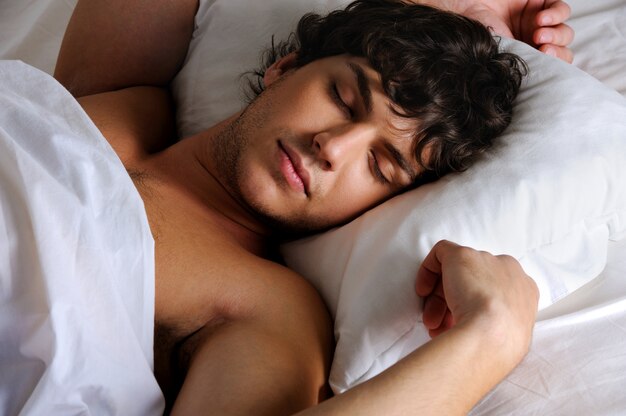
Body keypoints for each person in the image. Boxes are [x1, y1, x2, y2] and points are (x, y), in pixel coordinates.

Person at [52, 0, 572, 414]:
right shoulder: (118, 98)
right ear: (286, 67)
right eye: (344, 100)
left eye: (380, 166)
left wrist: (492, 336)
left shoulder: (266, 311)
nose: (334, 147)